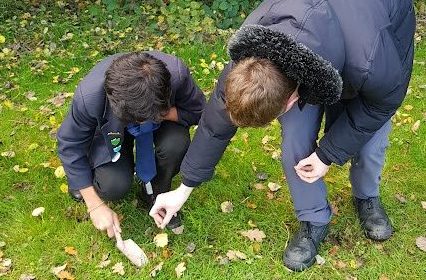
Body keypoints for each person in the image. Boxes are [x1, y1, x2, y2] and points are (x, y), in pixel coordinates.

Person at [149, 0, 416, 272]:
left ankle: (367, 196)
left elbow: (381, 104)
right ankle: (314, 219)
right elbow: (215, 125)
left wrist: (329, 153)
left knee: (369, 144)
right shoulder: (249, 56)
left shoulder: (370, 60)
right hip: (323, 44)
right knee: (295, 141)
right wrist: (184, 189)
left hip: (380, 30)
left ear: (290, 99)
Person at [57, 51, 206, 238]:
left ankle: (155, 191)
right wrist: (94, 204)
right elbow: (70, 144)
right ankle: (89, 177)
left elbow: (198, 112)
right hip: (112, 128)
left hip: (160, 121)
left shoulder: (177, 74)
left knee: (176, 144)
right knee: (113, 186)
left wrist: (161, 114)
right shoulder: (90, 96)